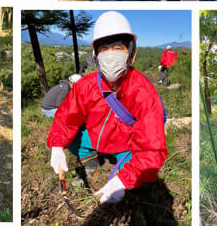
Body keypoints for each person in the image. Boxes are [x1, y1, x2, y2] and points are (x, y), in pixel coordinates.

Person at [47, 12, 167, 204]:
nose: (111, 55)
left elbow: (151, 148)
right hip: (95, 138)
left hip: (125, 146)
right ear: (95, 56)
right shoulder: (86, 85)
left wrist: (123, 180)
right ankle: (91, 165)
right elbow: (66, 118)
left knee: (144, 179)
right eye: (104, 49)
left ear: (132, 55)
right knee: (73, 140)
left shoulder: (143, 93)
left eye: (118, 48)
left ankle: (126, 185)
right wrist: (56, 145)